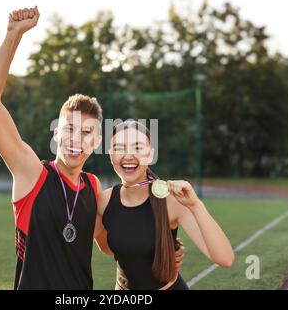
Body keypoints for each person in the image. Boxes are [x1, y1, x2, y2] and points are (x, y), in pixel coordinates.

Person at [0, 6, 185, 290]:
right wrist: (13, 35)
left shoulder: (93, 187)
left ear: (97, 142)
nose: (77, 138)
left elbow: (109, 245)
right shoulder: (31, 173)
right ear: (56, 133)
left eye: (87, 132)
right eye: (70, 129)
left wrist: (162, 245)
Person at [94, 120, 235, 290]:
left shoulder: (171, 201)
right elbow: (109, 249)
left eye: (137, 147)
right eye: (119, 148)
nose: (128, 155)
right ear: (110, 155)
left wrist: (196, 206)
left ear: (151, 155)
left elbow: (225, 258)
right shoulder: (104, 200)